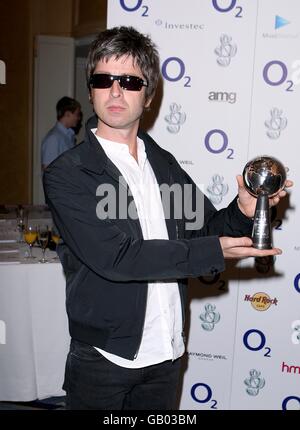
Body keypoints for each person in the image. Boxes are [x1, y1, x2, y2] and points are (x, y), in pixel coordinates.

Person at [43, 26, 292, 410]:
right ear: (90, 89)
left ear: (149, 95)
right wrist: (210, 251)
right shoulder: (69, 173)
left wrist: (243, 210)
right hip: (104, 359)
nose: (115, 91)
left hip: (166, 354)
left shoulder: (162, 163)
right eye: (103, 79)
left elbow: (206, 229)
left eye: (129, 81)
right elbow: (118, 257)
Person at [41, 96, 82, 169]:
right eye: (77, 114)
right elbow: (48, 170)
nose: (78, 118)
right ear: (67, 114)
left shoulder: (68, 136)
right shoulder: (53, 138)